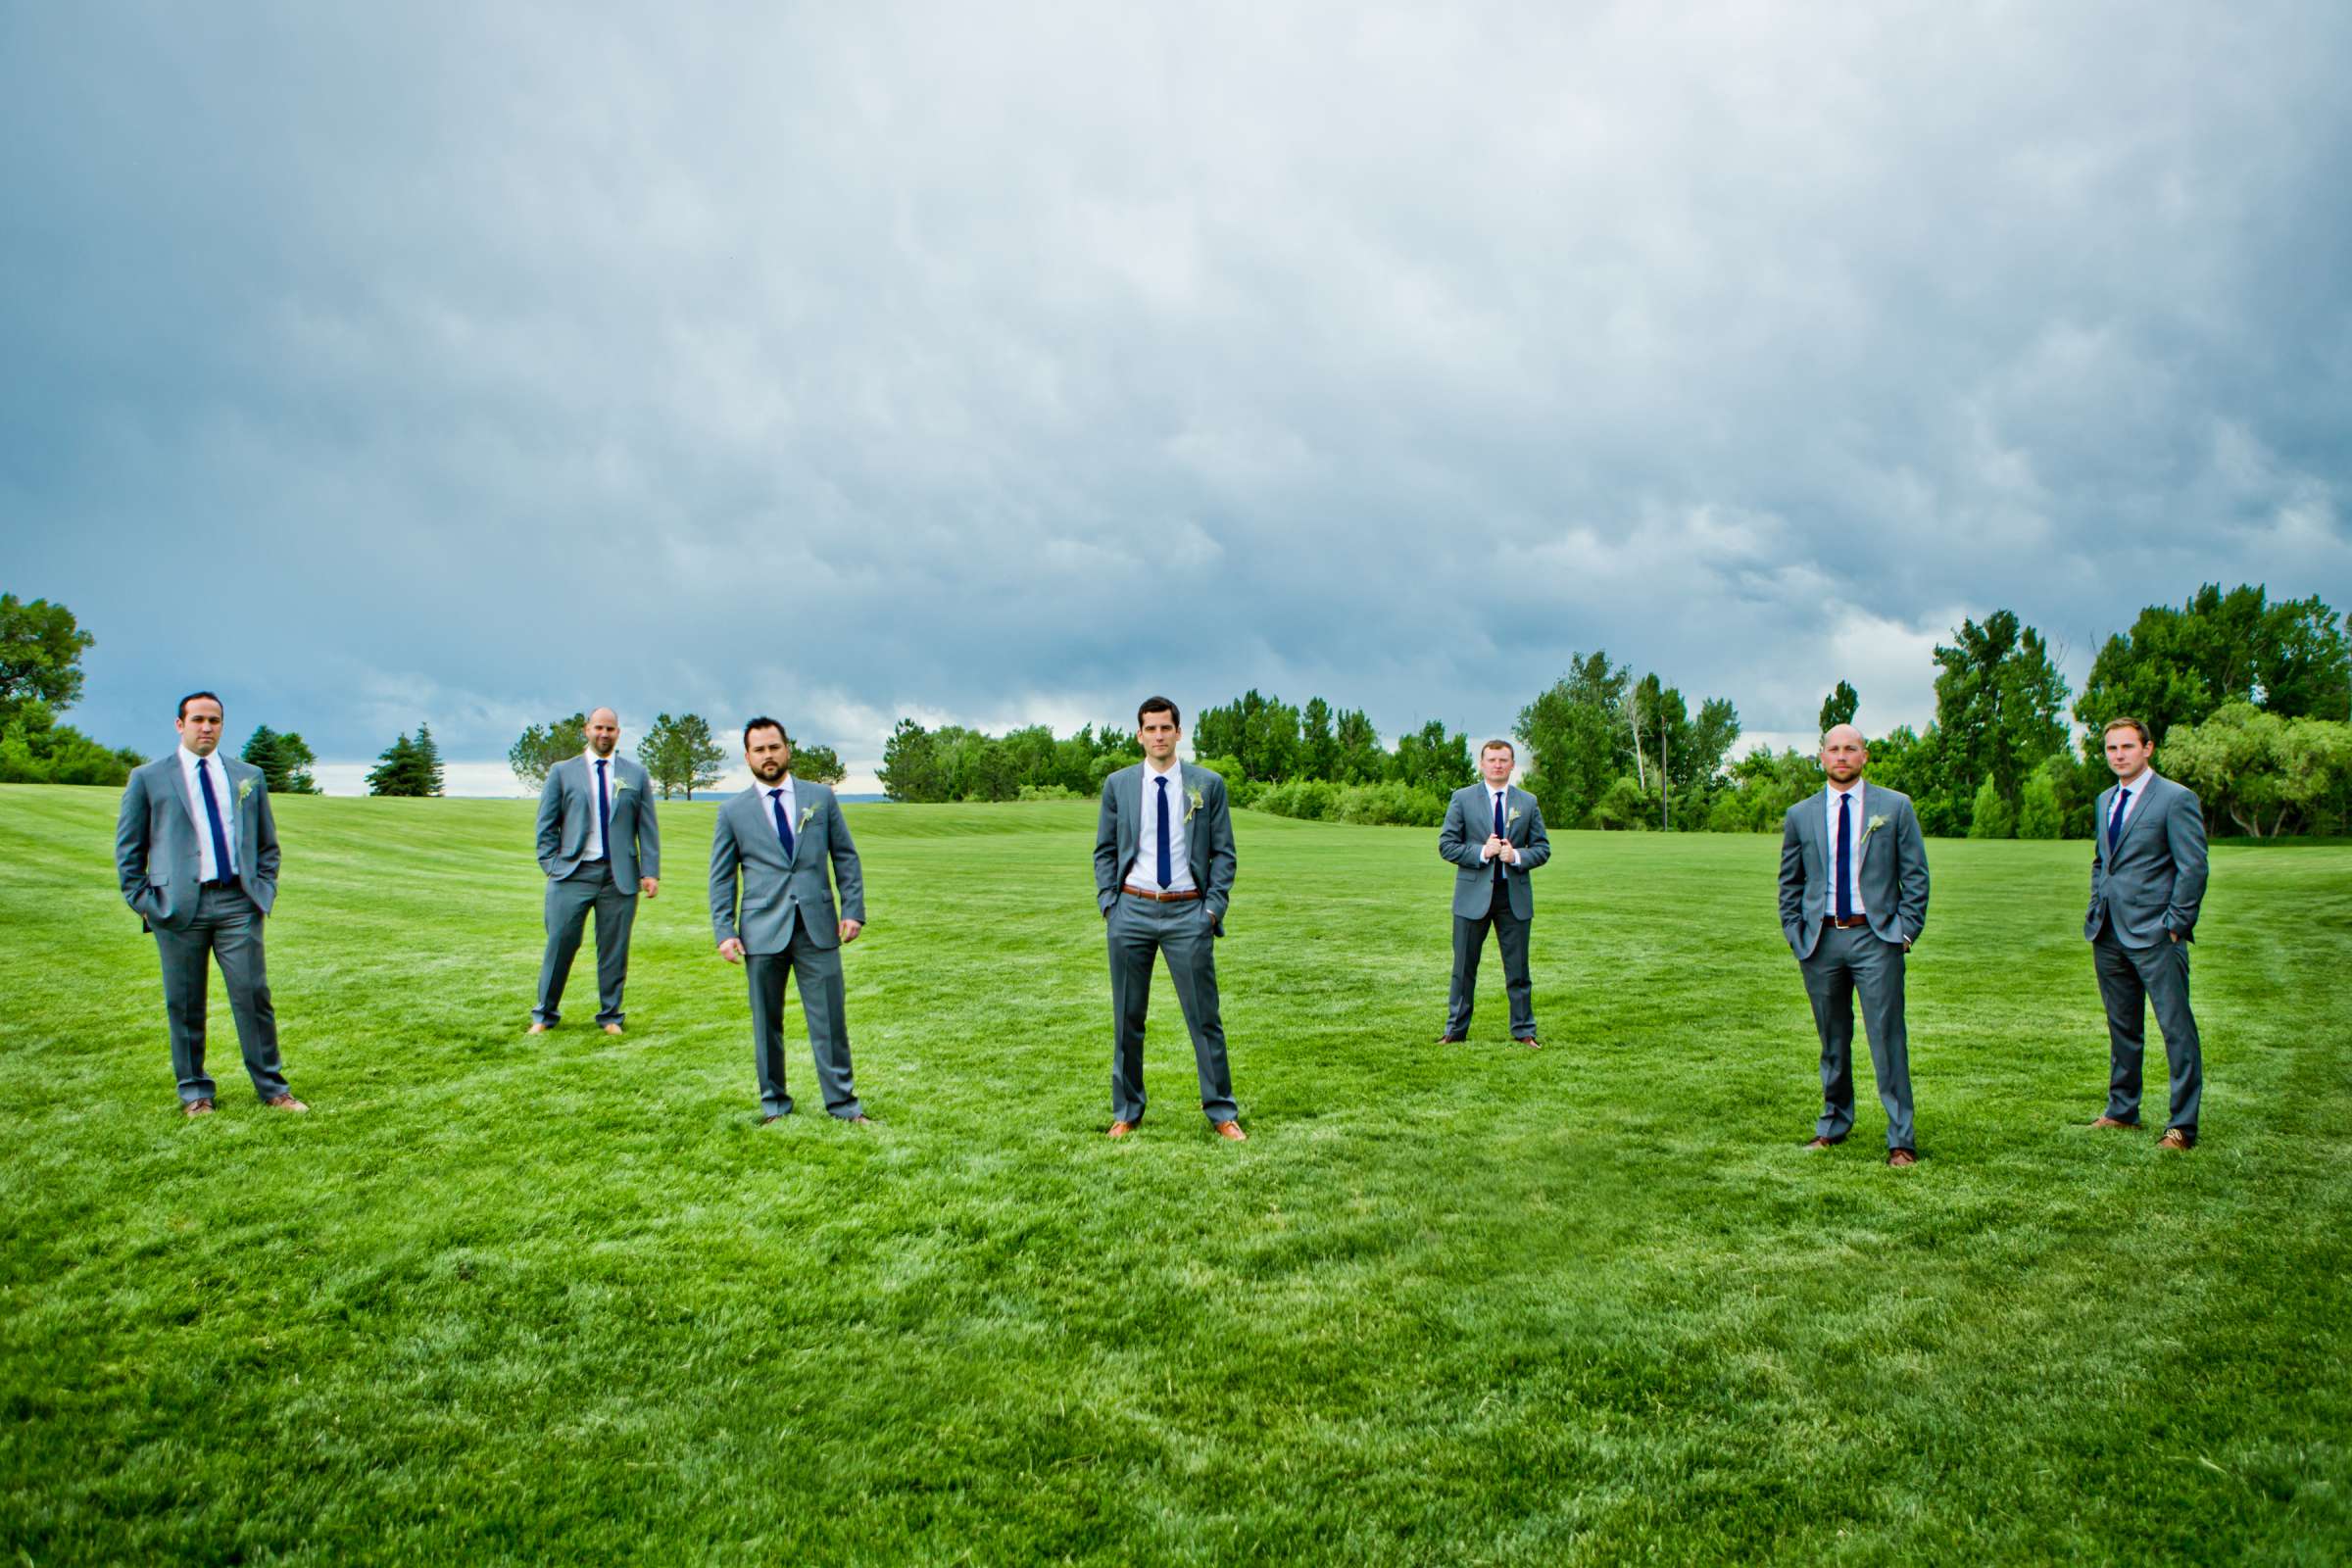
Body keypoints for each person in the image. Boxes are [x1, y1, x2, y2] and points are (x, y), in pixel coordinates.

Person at [113, 691, 307, 1117]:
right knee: (184, 1001)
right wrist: (145, 902)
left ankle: (273, 1088)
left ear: (222, 725)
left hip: (238, 903)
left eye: (214, 720)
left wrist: (262, 891)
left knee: (252, 994)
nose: (207, 727)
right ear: (180, 725)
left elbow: (266, 844)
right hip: (178, 908)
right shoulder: (149, 777)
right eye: (198, 719)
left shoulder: (247, 776)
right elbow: (129, 849)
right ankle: (195, 1093)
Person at [1093, 696, 1244, 1141]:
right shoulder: (1119, 785)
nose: (1158, 736)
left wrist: (1211, 908)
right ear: (1139, 735)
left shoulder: (1207, 785)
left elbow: (1224, 854)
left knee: (1204, 1018)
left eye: (1166, 728)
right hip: (1131, 910)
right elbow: (1104, 850)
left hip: (1188, 912)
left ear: (1179, 732)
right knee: (1127, 1018)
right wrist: (1109, 904)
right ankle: (1127, 1110)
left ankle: (1221, 1112)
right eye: (1150, 729)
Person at [1778, 723, 1929, 1166]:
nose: (1841, 756)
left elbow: (1916, 875)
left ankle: (1901, 1139)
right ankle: (1833, 1124)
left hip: (1876, 938)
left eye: (1851, 749)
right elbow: (1790, 882)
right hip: (1821, 940)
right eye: (1833, 749)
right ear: (1821, 757)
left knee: (1887, 1038)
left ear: (1865, 756)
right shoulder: (1800, 815)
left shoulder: (1894, 808)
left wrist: (1904, 931)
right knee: (1832, 1040)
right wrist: (1795, 931)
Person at [708, 717, 871, 1124]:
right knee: (767, 1023)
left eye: (774, 747)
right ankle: (774, 1106)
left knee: (830, 1020)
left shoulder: (821, 798)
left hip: (818, 926)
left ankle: (844, 1106)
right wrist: (724, 931)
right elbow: (721, 877)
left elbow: (846, 857)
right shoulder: (732, 812)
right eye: (759, 749)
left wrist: (852, 909)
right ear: (747, 757)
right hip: (761, 932)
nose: (768, 755)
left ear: (787, 750)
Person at [2084, 716, 2208, 1150]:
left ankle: (2182, 1125)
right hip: (2109, 932)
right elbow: (2104, 860)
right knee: (2123, 1028)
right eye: (2111, 749)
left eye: (2127, 747)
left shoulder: (2175, 799)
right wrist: (2097, 902)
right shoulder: (2105, 800)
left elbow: (2193, 867)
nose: (2118, 755)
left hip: (2158, 934)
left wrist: (2176, 924)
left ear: (2148, 749)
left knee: (2176, 1029)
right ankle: (2122, 1110)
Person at [530, 707, 661, 1036]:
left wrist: (650, 871)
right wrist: (552, 865)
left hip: (619, 877)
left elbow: (647, 828)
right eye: (599, 728)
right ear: (587, 730)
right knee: (560, 943)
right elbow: (546, 826)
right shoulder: (562, 772)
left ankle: (611, 1016)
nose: (605, 734)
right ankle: (544, 1014)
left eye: (611, 729)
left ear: (618, 733)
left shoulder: (635, 775)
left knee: (614, 948)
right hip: (572, 874)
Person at [1436, 739, 1552, 1047]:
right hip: (1472, 897)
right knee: (1463, 968)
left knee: (1518, 970)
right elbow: (1446, 845)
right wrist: (1482, 852)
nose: (1498, 765)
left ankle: (1524, 1031)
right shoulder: (1462, 799)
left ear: (1513, 765)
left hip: (1512, 897)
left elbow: (1542, 849)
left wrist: (1516, 857)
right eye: (1492, 760)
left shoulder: (1527, 802)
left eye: (1504, 760)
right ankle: (1455, 1031)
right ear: (1482, 764)